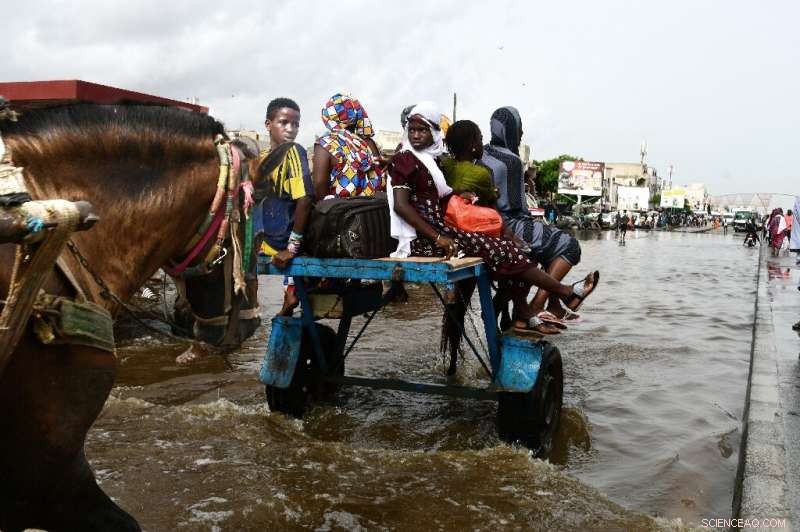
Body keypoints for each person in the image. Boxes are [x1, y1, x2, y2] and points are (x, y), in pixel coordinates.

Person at [388, 102, 599, 334]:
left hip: (445, 228)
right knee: (520, 249)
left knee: (509, 248)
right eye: (413, 130)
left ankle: (539, 305)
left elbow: (443, 191)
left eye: (424, 130)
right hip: (426, 239)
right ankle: (552, 299)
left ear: (435, 133)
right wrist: (438, 237)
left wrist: (461, 195)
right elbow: (401, 205)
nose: (417, 135)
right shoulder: (408, 160)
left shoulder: (437, 161)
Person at [479, 108, 587, 324]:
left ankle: (553, 306)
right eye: (519, 129)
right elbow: (516, 207)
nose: (521, 134)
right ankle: (537, 306)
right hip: (505, 225)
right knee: (568, 245)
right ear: (511, 130)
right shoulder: (511, 161)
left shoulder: (481, 153)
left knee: (546, 240)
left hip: (484, 226)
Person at [252, 97, 314, 316]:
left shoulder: (293, 151)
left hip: (281, 243)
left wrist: (291, 249)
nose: (291, 129)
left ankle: (289, 298)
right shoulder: (260, 158)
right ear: (268, 124)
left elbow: (305, 199)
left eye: (295, 124)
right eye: (284, 122)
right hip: (262, 241)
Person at [313, 93, 384, 200]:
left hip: (343, 212)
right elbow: (380, 174)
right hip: (376, 210)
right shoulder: (369, 143)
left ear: (328, 117)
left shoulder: (326, 144)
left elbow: (319, 184)